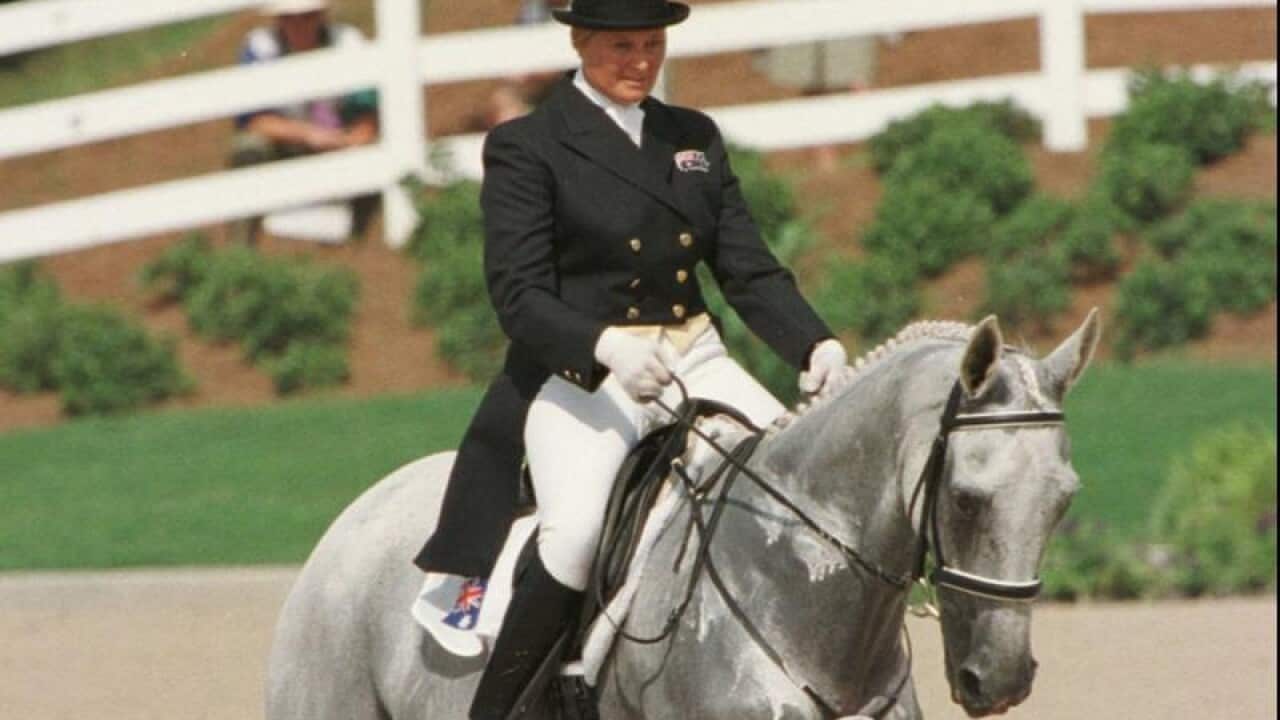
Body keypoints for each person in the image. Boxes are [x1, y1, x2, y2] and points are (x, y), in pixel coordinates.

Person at [412, 1, 852, 717]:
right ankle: (513, 705)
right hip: (585, 375)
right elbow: (519, 295)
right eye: (621, 46)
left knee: (799, 501)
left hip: (695, 360)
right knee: (577, 531)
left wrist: (814, 342)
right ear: (581, 40)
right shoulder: (529, 145)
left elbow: (746, 268)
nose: (640, 61)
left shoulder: (693, 138)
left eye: (652, 44)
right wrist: (605, 345)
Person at [227, 0, 379, 243]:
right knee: (248, 148)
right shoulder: (260, 48)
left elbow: (367, 116)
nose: (298, 26)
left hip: (338, 145)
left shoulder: (348, 43)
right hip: (284, 146)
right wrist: (309, 135)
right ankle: (242, 244)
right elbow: (253, 120)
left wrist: (349, 141)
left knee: (370, 157)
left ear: (321, 14)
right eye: (289, 18)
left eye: (307, 16)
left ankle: (361, 238)